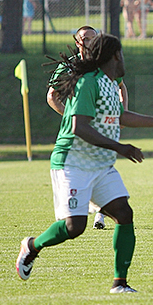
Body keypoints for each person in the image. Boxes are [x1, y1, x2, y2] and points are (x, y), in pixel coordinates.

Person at [16, 33, 153, 293]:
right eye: (122, 54)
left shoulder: (109, 82)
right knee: (75, 227)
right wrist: (119, 146)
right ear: (114, 56)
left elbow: (120, 115)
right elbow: (79, 127)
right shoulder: (88, 83)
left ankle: (120, 283)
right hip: (73, 162)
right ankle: (32, 246)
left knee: (124, 213)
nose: (124, 59)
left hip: (100, 164)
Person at [47, 26, 129, 231]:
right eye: (85, 38)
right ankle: (34, 245)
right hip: (78, 134)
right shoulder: (69, 67)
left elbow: (121, 86)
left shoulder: (104, 66)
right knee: (72, 225)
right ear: (77, 42)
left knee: (103, 169)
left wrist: (122, 112)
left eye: (93, 38)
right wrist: (72, 115)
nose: (89, 42)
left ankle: (100, 215)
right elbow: (52, 96)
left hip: (100, 129)